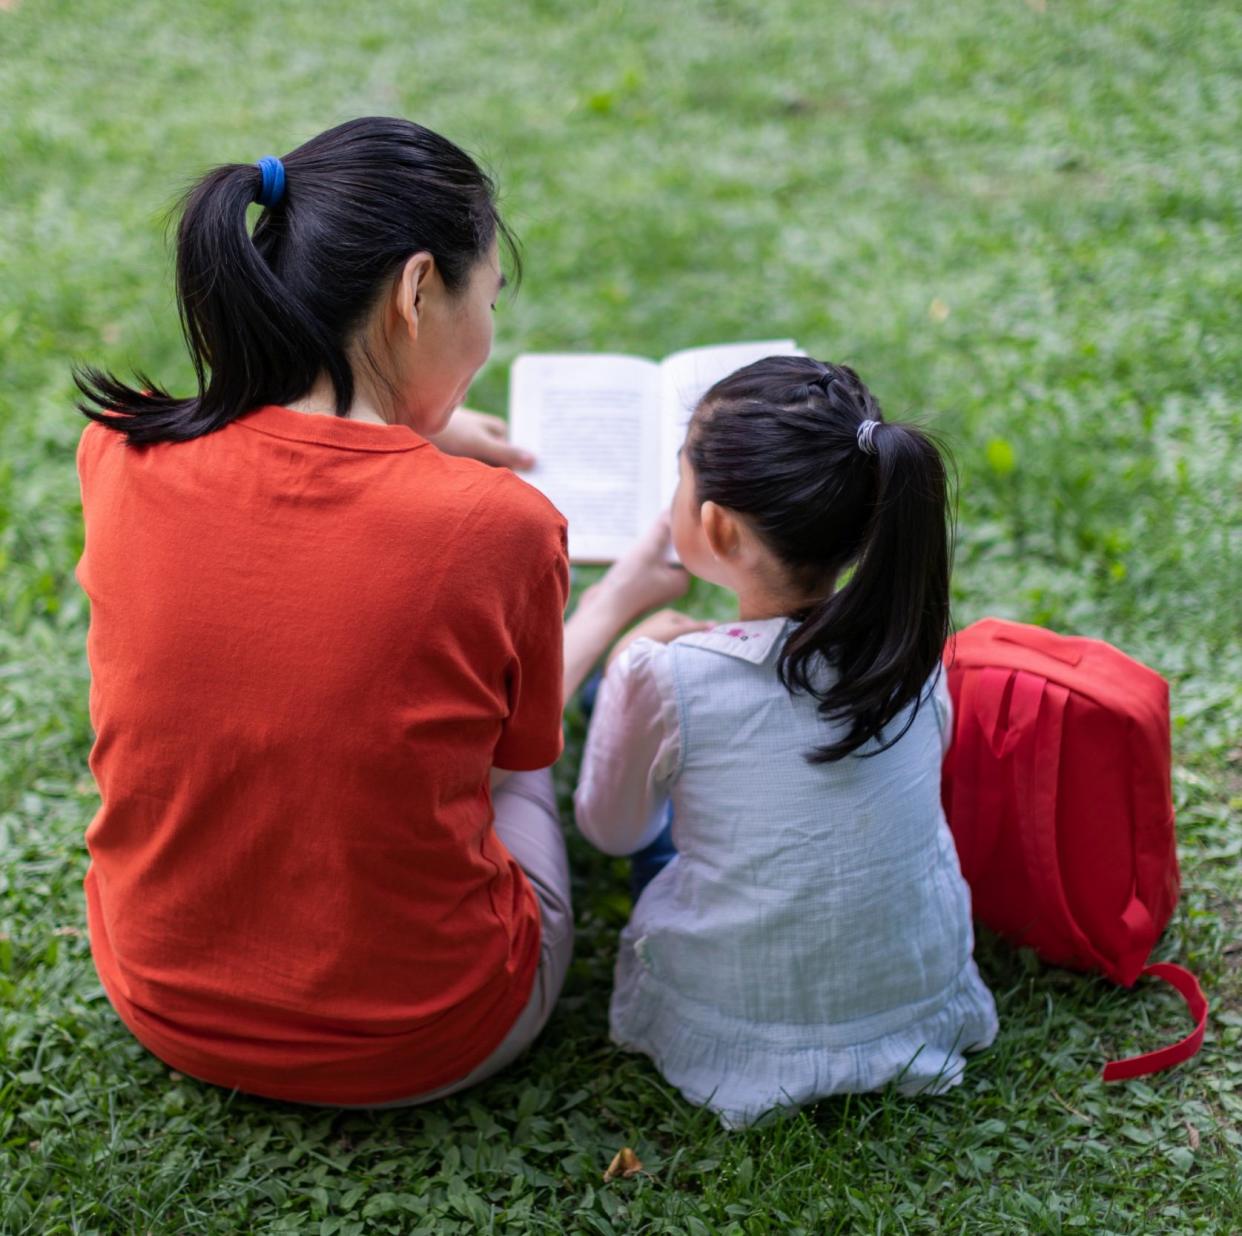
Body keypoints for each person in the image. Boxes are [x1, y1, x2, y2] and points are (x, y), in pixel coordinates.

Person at [72, 116, 686, 1107]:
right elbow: (511, 758)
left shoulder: (120, 452)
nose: (487, 336)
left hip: (160, 996)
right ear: (414, 292)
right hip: (427, 1036)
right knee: (515, 785)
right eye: (488, 298)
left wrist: (423, 447)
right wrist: (621, 597)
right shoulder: (502, 526)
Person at [574, 356, 999, 1128]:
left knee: (647, 773)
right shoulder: (914, 653)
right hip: (910, 996)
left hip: (740, 1014)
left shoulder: (666, 675)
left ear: (715, 526)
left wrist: (636, 660)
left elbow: (613, 831)